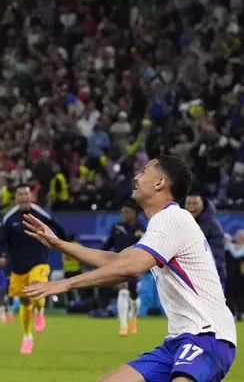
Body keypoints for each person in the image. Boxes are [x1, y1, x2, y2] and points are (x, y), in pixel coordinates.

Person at [23, 155, 237, 382]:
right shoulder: (163, 224)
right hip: (178, 341)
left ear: (159, 183)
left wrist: (65, 284)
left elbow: (132, 267)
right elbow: (116, 260)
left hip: (208, 336)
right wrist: (60, 244)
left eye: (144, 171)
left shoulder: (173, 219)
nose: (136, 176)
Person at [0, 185, 67, 354]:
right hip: (18, 266)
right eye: (20, 194)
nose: (24, 197)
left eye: (26, 194)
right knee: (24, 301)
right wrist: (0, 255)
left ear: (31, 196)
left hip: (40, 261)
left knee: (37, 287)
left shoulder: (41, 213)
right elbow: (1, 239)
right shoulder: (8, 217)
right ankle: (27, 337)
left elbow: (59, 226)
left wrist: (66, 245)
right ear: (16, 197)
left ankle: (40, 311)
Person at [102, 199, 145, 336]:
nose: (123, 214)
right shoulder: (116, 227)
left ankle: (133, 316)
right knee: (123, 290)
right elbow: (108, 245)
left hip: (136, 266)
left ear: (135, 213)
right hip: (119, 265)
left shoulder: (141, 228)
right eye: (122, 212)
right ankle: (123, 326)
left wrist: (142, 237)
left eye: (127, 212)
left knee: (134, 297)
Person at [185, 193, 227, 288]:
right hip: (192, 277)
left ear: (203, 206)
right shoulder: (184, 224)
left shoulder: (213, 225)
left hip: (211, 277)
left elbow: (216, 254)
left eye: (195, 203)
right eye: (188, 203)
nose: (191, 206)